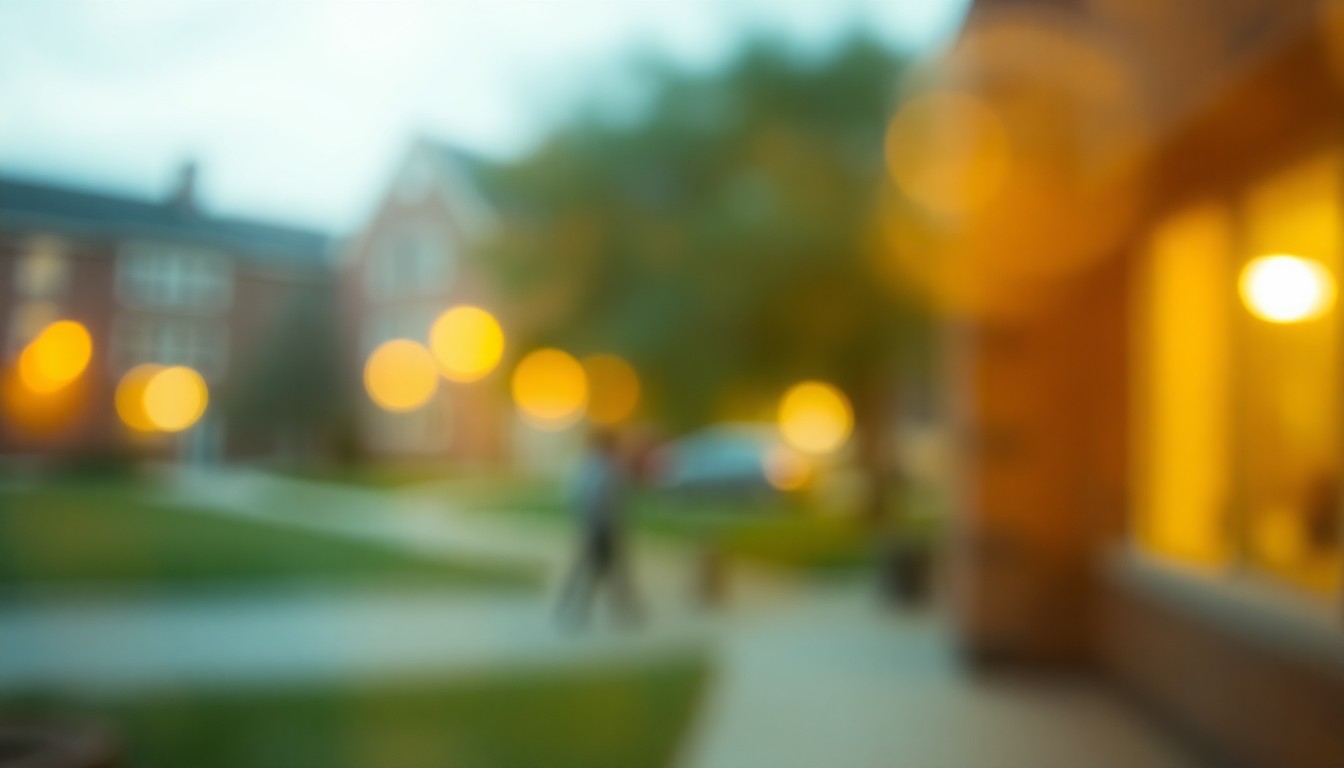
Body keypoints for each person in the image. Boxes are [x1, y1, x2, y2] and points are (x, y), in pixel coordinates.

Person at [557, 428, 641, 627]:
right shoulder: (603, 467)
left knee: (605, 570)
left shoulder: (591, 466)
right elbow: (601, 500)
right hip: (602, 527)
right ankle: (619, 610)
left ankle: (621, 609)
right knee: (601, 570)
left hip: (597, 526)